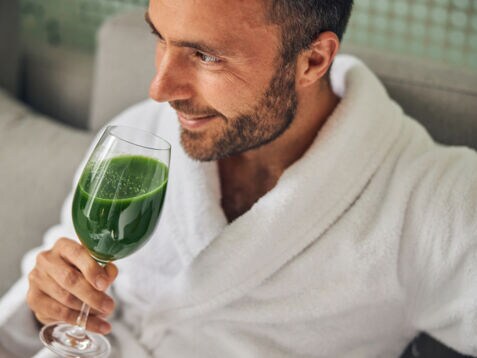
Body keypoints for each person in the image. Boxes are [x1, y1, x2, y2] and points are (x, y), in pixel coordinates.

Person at [1, 0, 477, 357]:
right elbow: (63, 259)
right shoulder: (143, 131)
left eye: (206, 56)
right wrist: (48, 296)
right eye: (160, 38)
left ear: (312, 60)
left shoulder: (431, 199)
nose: (160, 88)